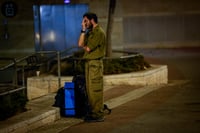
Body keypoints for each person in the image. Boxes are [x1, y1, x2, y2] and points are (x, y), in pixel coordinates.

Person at [78, 12, 106, 122]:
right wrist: (83, 30)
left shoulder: (99, 32)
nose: (84, 23)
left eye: (85, 20)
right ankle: (94, 112)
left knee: (95, 89)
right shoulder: (90, 32)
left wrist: (85, 45)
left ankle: (98, 114)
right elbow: (80, 44)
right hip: (89, 63)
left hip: (95, 64)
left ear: (92, 20)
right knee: (90, 90)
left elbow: (88, 48)